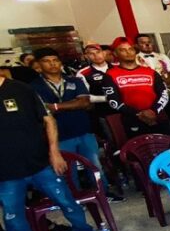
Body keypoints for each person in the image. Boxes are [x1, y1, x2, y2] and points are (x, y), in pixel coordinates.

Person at [0, 71, 112, 231]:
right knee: (12, 216)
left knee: (67, 201)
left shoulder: (20, 89)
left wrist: (54, 152)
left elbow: (48, 120)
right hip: (6, 173)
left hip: (39, 163)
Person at [31, 48, 122, 200]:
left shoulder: (75, 80)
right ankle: (75, 196)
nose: (52, 64)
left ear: (60, 63)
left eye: (55, 60)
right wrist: (73, 104)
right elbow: (41, 109)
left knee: (94, 165)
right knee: (67, 170)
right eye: (47, 61)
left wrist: (55, 107)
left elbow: (85, 102)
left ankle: (103, 193)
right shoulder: (33, 87)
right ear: (39, 65)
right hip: (59, 135)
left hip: (83, 130)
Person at [100, 37, 170, 138]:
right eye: (122, 50)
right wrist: (140, 114)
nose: (128, 52)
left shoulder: (150, 72)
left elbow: (163, 93)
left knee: (167, 148)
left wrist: (153, 111)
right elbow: (113, 101)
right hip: (131, 120)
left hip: (157, 117)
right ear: (115, 54)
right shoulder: (110, 75)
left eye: (131, 49)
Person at [135, 34, 170, 134]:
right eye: (143, 43)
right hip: (151, 96)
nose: (147, 44)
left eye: (149, 42)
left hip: (169, 92)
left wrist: (163, 85)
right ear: (137, 45)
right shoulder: (135, 59)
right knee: (159, 122)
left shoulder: (162, 56)